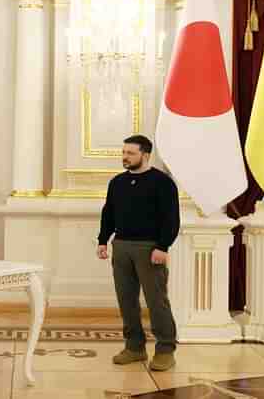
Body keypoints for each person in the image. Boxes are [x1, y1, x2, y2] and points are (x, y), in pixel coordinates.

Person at [97, 135, 180, 371]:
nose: (125, 157)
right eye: (123, 152)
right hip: (121, 246)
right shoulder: (117, 183)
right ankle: (135, 347)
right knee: (126, 300)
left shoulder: (162, 183)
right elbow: (108, 213)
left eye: (130, 153)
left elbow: (171, 218)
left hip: (150, 248)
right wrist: (103, 240)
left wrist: (163, 246)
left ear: (145, 155)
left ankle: (165, 349)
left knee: (156, 301)